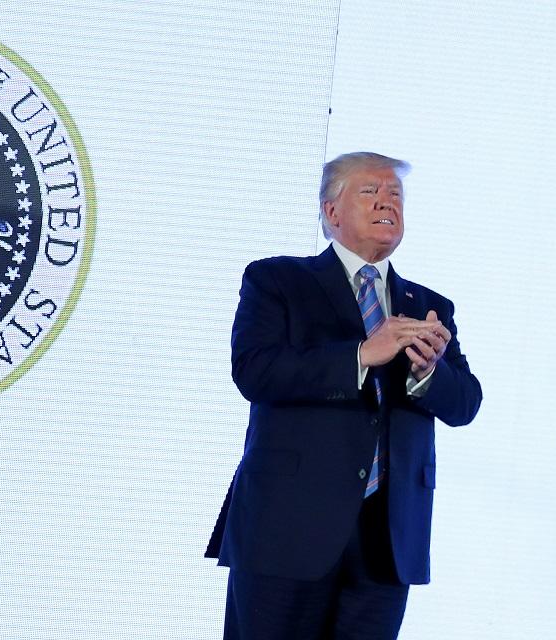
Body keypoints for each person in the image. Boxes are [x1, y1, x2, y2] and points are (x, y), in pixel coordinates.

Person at [205, 152, 482, 639]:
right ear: (331, 212)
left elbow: (466, 404)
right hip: (286, 531)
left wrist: (427, 373)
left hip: (387, 542)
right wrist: (361, 354)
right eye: (370, 191)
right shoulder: (278, 281)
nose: (387, 202)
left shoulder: (429, 306)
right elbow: (256, 371)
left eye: (395, 194)